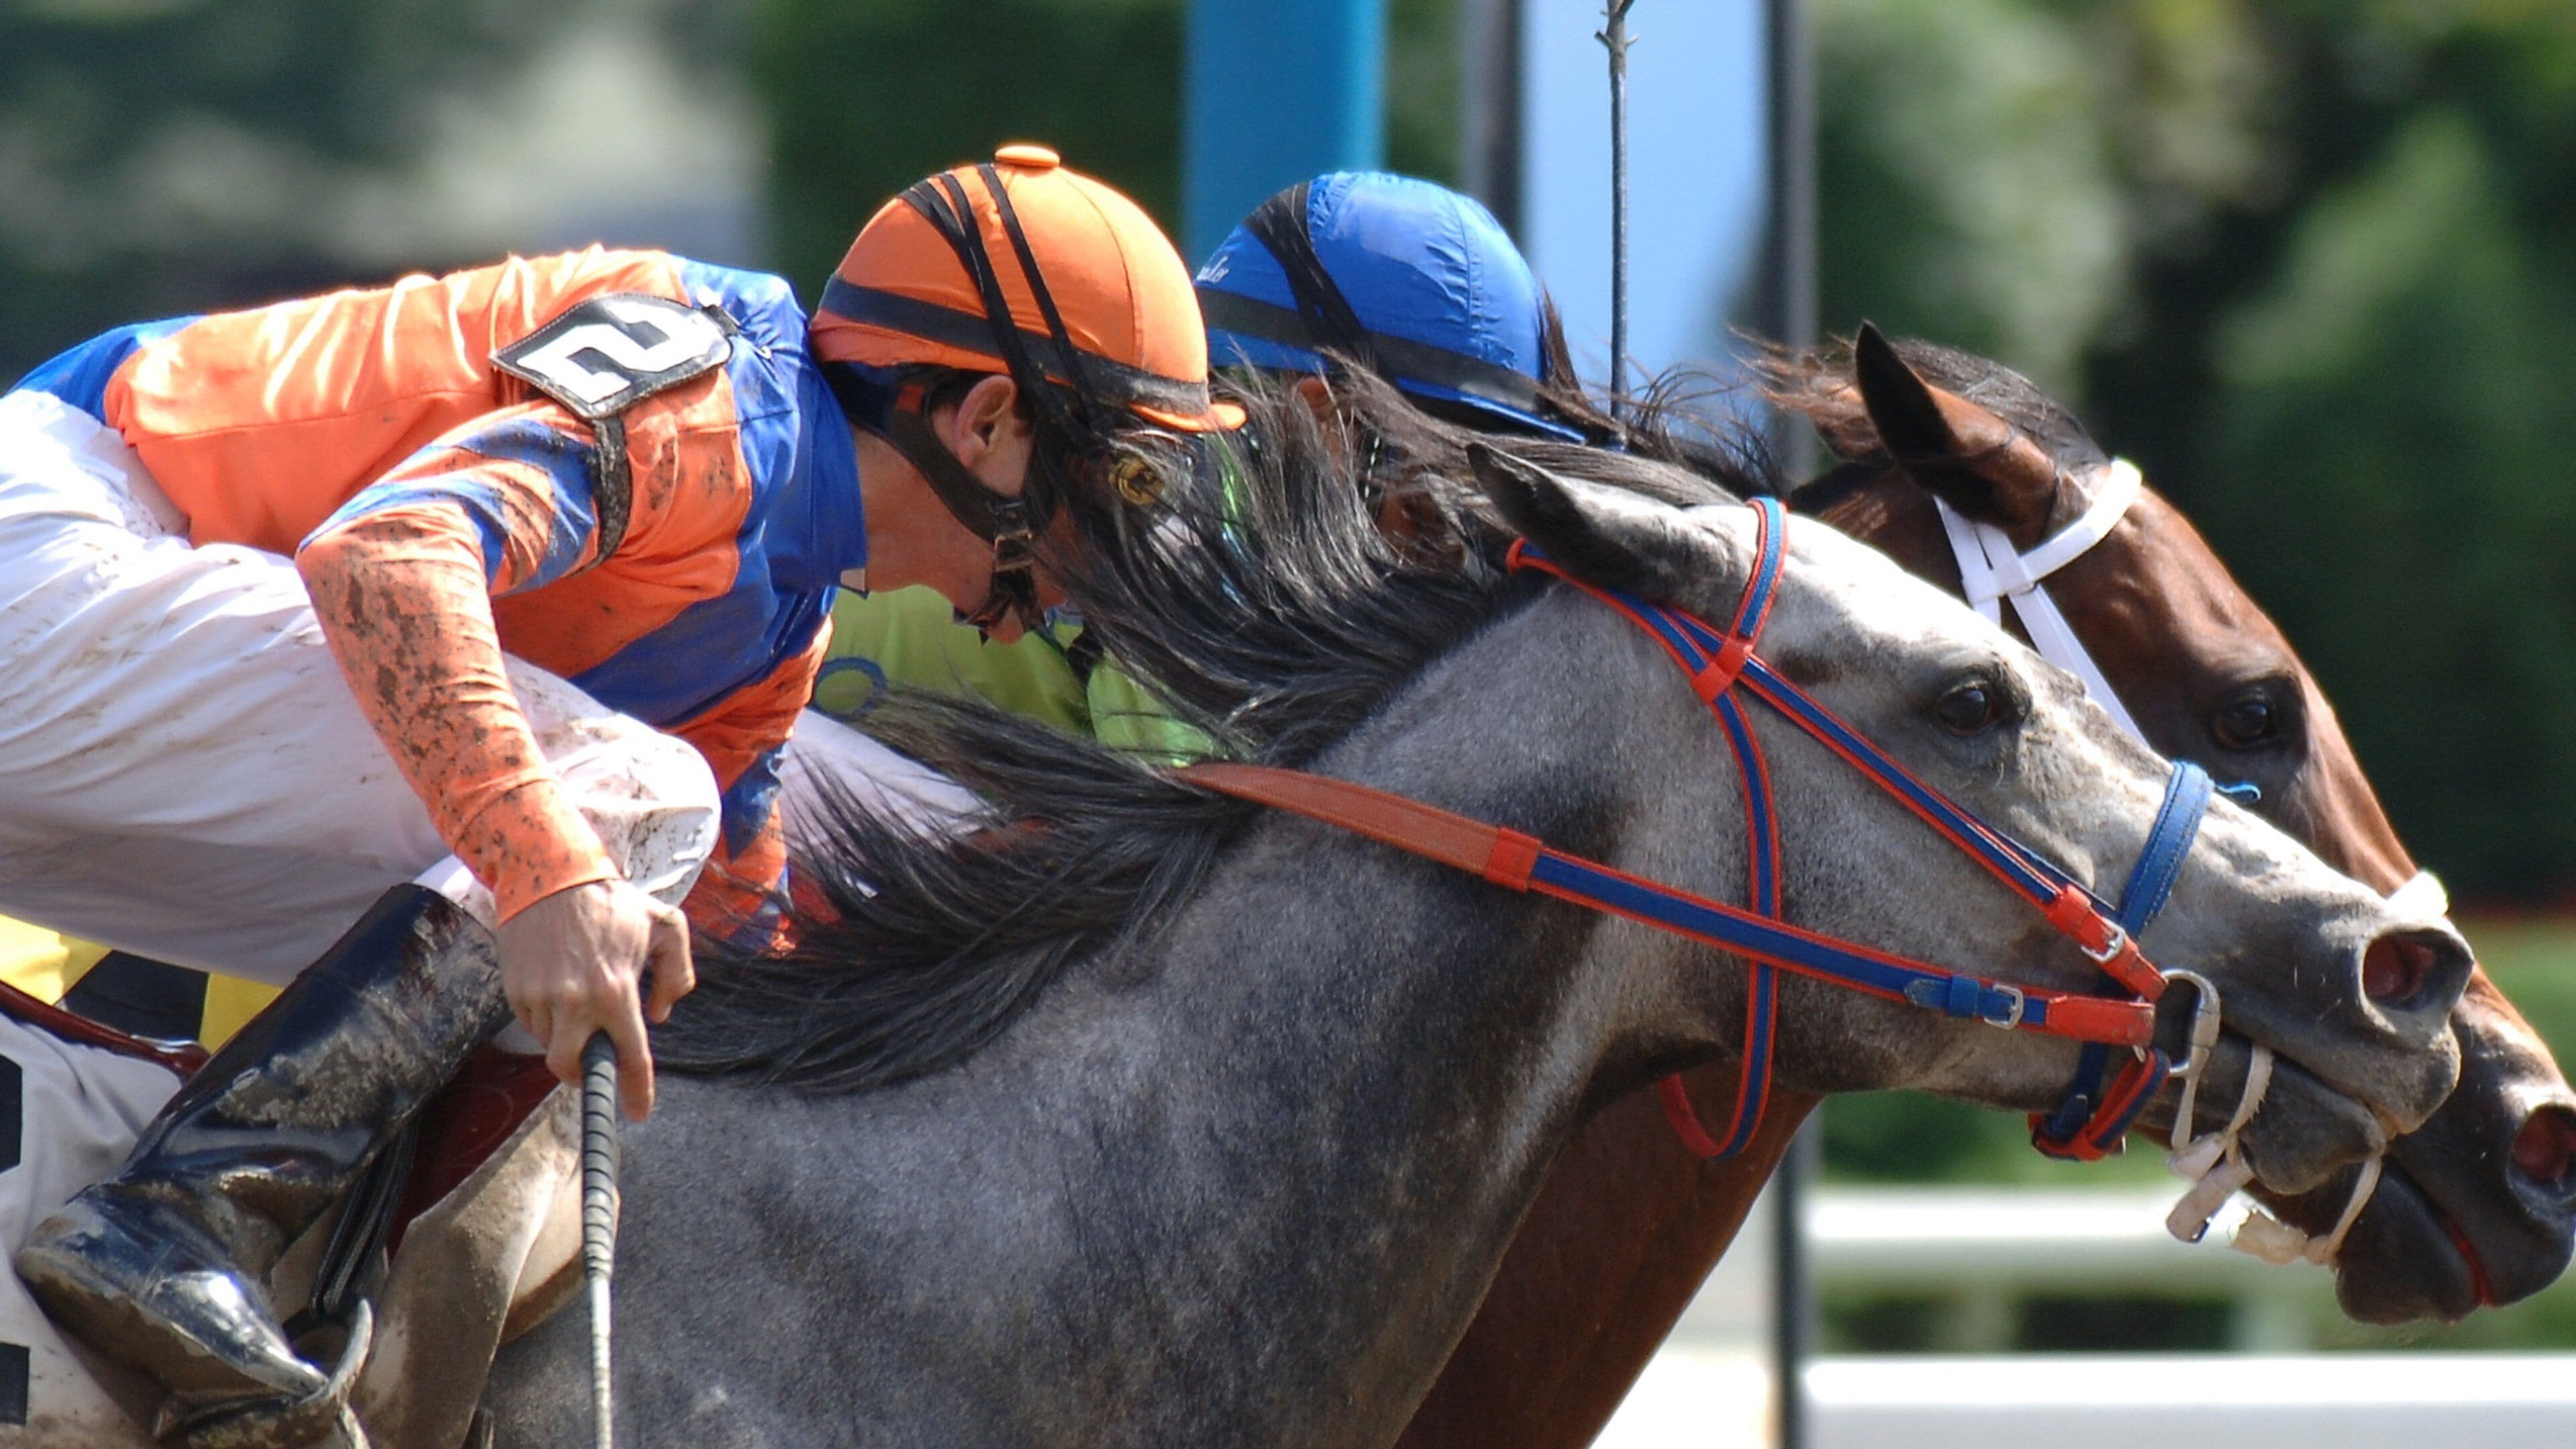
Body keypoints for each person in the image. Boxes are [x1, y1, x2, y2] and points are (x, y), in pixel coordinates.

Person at [0, 142, 1234, 1441]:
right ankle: (176, 1222)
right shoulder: (720, 404)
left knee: (618, 902)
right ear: (987, 422)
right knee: (624, 804)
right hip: (60, 540)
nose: (1121, 554)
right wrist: (545, 870)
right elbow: (383, 560)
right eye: (1123, 481)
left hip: (89, 697)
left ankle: (263, 1289)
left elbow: (735, 933)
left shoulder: (779, 621)